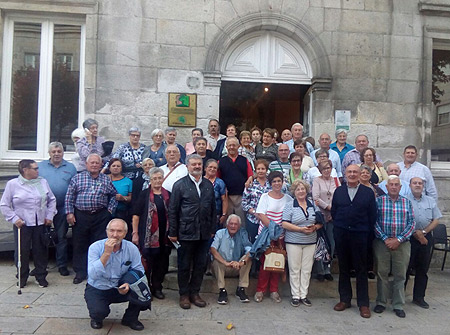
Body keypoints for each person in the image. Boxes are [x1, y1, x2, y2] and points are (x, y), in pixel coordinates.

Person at [168, 154, 216, 309]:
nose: (197, 167)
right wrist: (173, 232)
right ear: (187, 166)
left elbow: (213, 209)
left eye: (199, 164)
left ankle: (195, 293)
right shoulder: (180, 185)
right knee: (184, 265)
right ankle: (184, 294)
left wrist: (212, 229)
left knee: (200, 264)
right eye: (194, 164)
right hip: (185, 231)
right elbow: (173, 210)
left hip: (204, 232)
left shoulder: (208, 185)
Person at [1, 160, 57, 288]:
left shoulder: (42, 182)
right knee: (22, 251)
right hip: (22, 223)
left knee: (41, 251)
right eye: (35, 168)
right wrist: (14, 218)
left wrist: (49, 215)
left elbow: (52, 200)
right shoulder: (13, 184)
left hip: (40, 222)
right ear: (25, 170)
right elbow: (4, 205)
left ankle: (41, 275)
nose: (38, 171)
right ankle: (22, 276)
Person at [331, 165, 377, 319]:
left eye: (355, 172)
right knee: (344, 268)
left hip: (360, 235)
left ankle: (363, 303)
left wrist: (364, 230)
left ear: (360, 175)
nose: (352, 174)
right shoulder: (339, 191)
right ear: (345, 174)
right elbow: (334, 212)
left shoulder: (368, 192)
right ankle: (344, 300)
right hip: (342, 233)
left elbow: (372, 215)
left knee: (361, 269)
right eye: (349, 172)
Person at [65, 153, 118, 284]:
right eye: (92, 163)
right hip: (81, 216)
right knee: (79, 244)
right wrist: (69, 213)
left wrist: (109, 211)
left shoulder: (106, 179)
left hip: (100, 216)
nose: (94, 165)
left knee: (99, 244)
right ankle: (80, 272)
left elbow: (114, 196)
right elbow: (69, 197)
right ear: (87, 164)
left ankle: (96, 272)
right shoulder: (77, 178)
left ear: (101, 165)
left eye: (97, 163)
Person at [85, 219, 145, 331]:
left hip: (120, 285)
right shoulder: (95, 247)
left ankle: (130, 319)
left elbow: (139, 270)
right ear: (107, 231)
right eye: (112, 231)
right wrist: (106, 253)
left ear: (125, 233)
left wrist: (128, 283)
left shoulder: (131, 248)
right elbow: (93, 275)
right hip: (99, 287)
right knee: (99, 311)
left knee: (142, 290)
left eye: (119, 231)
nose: (115, 235)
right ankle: (96, 318)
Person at [373, 175, 415, 318]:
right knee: (382, 273)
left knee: (400, 275)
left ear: (400, 187)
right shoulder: (379, 201)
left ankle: (398, 304)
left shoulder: (406, 202)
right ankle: (381, 302)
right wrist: (386, 239)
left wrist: (398, 239)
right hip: (382, 243)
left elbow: (412, 223)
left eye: (396, 184)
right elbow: (374, 222)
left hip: (402, 244)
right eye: (391, 184)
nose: (393, 187)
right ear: (386, 186)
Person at [38, 142, 77, 276]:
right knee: (41, 238)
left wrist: (70, 210)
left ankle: (62, 265)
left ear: (63, 153)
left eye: (59, 151)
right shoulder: (40, 167)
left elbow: (74, 189)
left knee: (61, 238)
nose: (56, 154)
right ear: (49, 153)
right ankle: (40, 267)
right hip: (44, 208)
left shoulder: (71, 167)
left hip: (62, 208)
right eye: (53, 151)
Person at [132, 167, 171, 300]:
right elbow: (136, 215)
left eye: (160, 178)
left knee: (162, 263)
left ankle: (157, 287)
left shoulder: (168, 195)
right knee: (148, 262)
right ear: (150, 179)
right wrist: (135, 233)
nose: (157, 180)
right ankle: (147, 287)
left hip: (164, 237)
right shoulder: (144, 194)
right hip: (147, 236)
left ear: (163, 178)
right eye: (154, 178)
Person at [254, 171, 293, 303]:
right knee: (265, 264)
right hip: (266, 235)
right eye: (274, 181)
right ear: (270, 184)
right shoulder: (265, 197)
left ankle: (274, 290)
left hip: (281, 236)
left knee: (278, 264)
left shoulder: (288, 199)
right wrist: (273, 230)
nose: (277, 183)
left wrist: (279, 233)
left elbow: (290, 216)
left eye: (279, 181)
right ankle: (260, 290)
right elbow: (261, 214)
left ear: (283, 182)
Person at [282, 180, 322, 307]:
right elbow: (284, 223)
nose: (301, 191)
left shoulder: (312, 205)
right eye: (298, 189)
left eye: (303, 189)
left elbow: (321, 222)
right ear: (294, 192)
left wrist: (314, 228)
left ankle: (304, 295)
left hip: (310, 241)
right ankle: (295, 295)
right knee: (294, 268)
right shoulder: (290, 205)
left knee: (307, 269)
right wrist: (300, 229)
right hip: (294, 240)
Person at [405, 177, 442, 309]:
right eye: (414, 183)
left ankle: (419, 297)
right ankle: (400, 297)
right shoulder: (404, 200)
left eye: (420, 183)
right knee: (405, 268)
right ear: (409, 185)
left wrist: (424, 232)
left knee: (422, 269)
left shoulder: (430, 201)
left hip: (426, 239)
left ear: (423, 186)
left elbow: (436, 219)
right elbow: (403, 218)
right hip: (408, 238)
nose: (417, 185)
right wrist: (416, 232)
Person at [210, 214, 252, 304]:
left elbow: (249, 249)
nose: (233, 226)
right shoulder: (220, 233)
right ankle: (222, 291)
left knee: (248, 258)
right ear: (227, 224)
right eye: (231, 223)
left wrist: (241, 263)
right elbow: (213, 249)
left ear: (239, 226)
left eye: (235, 224)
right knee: (217, 260)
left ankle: (241, 289)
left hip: (237, 266)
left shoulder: (242, 233)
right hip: (223, 266)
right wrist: (225, 263)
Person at [312, 160, 340, 281]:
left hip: (333, 216)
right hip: (321, 215)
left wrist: (333, 211)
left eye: (328, 168)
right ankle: (320, 270)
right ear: (320, 170)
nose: (326, 170)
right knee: (321, 242)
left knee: (331, 243)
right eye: (324, 169)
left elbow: (339, 195)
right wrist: (328, 208)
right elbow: (316, 198)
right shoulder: (317, 180)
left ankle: (328, 268)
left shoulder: (335, 180)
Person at [218, 137, 253, 226]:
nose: (232, 147)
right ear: (226, 147)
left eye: (234, 145)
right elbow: (218, 178)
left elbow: (250, 175)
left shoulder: (244, 160)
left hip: (241, 196)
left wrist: (249, 180)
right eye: (229, 145)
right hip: (227, 197)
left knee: (241, 222)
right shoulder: (221, 161)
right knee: (227, 222)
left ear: (238, 146)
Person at [242, 159, 271, 243]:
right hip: (253, 219)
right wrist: (255, 212)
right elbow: (244, 203)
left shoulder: (271, 184)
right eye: (258, 169)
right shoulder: (250, 184)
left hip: (268, 219)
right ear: (255, 170)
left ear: (266, 170)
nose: (260, 171)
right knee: (254, 243)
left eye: (263, 169)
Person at [108, 158, 133, 239]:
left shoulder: (128, 181)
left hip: (122, 213)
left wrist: (123, 198)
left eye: (118, 166)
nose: (116, 168)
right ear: (109, 167)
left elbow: (131, 198)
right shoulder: (104, 179)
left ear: (122, 168)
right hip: (105, 213)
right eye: (113, 166)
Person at [204, 159, 228, 228]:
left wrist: (224, 214)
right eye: (210, 167)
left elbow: (224, 200)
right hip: (202, 216)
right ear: (205, 168)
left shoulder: (220, 183)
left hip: (216, 216)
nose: (212, 169)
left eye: (215, 168)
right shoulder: (200, 181)